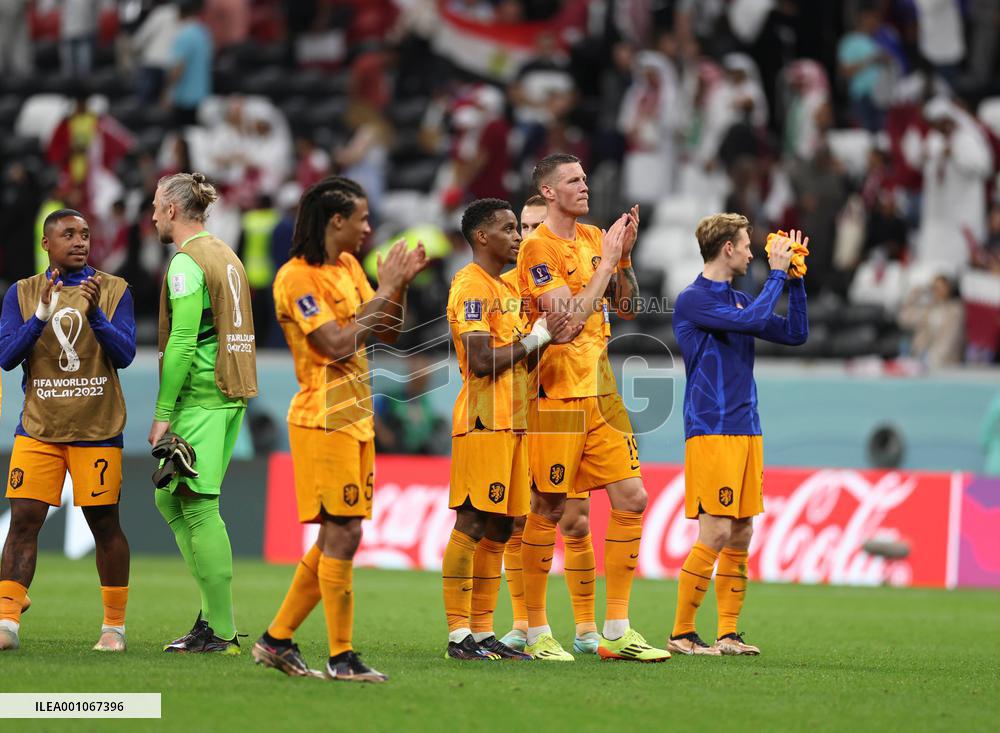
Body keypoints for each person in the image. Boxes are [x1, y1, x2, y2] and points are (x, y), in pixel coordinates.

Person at [252, 176, 427, 682]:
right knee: (344, 532)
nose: (369, 227)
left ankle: (276, 640)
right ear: (336, 221)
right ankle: (341, 656)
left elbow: (386, 330)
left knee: (338, 532)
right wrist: (389, 288)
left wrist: (401, 286)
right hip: (323, 417)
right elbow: (336, 342)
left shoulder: (350, 266)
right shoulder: (295, 278)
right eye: (362, 219)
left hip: (356, 417)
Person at [515, 153, 669, 662]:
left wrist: (622, 257)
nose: (585, 185)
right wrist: (605, 262)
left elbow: (625, 308)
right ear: (549, 193)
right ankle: (536, 631)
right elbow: (565, 324)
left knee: (633, 498)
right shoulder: (537, 248)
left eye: (585, 177)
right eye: (574, 180)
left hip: (602, 393)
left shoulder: (593, 238)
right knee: (549, 509)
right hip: (555, 395)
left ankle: (618, 629)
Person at [442, 198, 579, 661]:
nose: (518, 237)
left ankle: (482, 632)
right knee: (473, 520)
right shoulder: (470, 287)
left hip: (516, 422)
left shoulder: (504, 289)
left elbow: (519, 358)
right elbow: (481, 361)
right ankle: (458, 633)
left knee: (501, 527)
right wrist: (537, 337)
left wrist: (546, 338)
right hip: (485, 421)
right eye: (508, 229)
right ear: (482, 237)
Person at [668, 215, 808, 656]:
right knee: (715, 533)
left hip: (747, 427)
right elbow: (752, 323)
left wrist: (797, 283)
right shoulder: (693, 300)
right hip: (711, 428)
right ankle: (682, 632)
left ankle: (727, 632)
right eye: (747, 246)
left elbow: (795, 333)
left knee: (741, 532)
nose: (753, 253)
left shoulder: (741, 300)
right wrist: (779, 273)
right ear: (727, 249)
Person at [0, 209, 135, 652]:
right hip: (39, 429)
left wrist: (96, 316)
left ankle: (113, 627)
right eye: (68, 234)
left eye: (85, 234)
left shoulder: (114, 290)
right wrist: (39, 316)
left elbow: (126, 354)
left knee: (104, 525)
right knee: (23, 523)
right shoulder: (21, 293)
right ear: (46, 243)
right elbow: (6, 357)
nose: (79, 241)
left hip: (96, 431)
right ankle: (6, 623)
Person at [148, 172, 257, 654]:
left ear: (172, 210)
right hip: (231, 389)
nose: (150, 214)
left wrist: (163, 411)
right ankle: (212, 616)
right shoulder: (225, 253)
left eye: (155, 205)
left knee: (198, 504)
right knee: (169, 500)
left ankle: (221, 630)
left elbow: (182, 340)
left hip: (202, 396)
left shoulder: (185, 264)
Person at [500, 193, 602, 656]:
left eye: (534, 226)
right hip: (522, 406)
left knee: (576, 521)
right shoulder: (500, 285)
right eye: (520, 227)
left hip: (571, 400)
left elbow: (611, 313)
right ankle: (524, 624)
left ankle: (586, 630)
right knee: (518, 520)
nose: (525, 236)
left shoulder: (580, 268)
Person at [164, 1, 213, 128]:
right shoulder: (203, 32)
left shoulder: (184, 35)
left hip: (184, 98)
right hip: (202, 96)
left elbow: (178, 68)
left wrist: (167, 92)